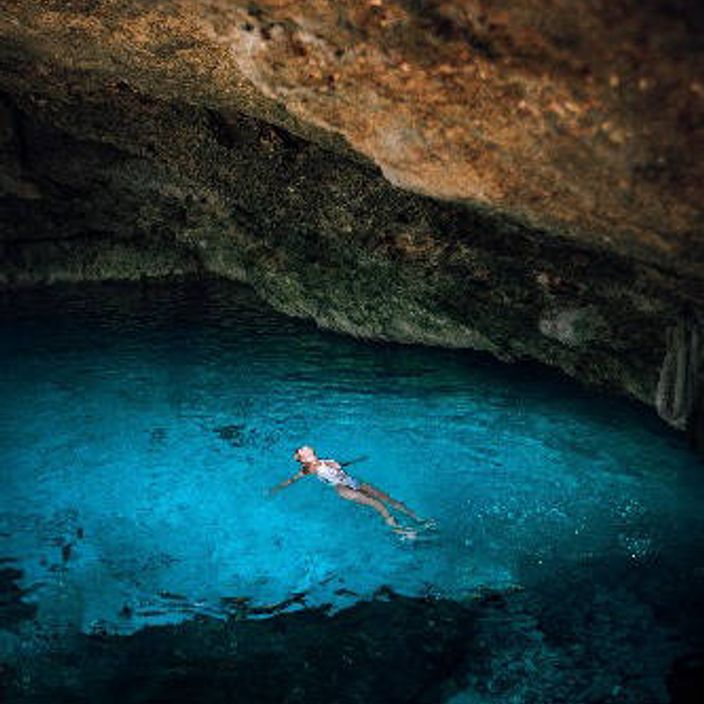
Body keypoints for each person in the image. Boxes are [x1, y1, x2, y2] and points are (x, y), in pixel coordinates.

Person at [270, 445, 431, 539]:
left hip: (352, 481)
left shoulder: (324, 460)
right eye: (301, 450)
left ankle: (418, 518)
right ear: (303, 458)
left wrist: (357, 459)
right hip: (343, 489)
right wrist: (277, 488)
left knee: (389, 499)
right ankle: (401, 532)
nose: (305, 447)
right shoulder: (310, 467)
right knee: (378, 505)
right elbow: (294, 478)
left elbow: (340, 464)